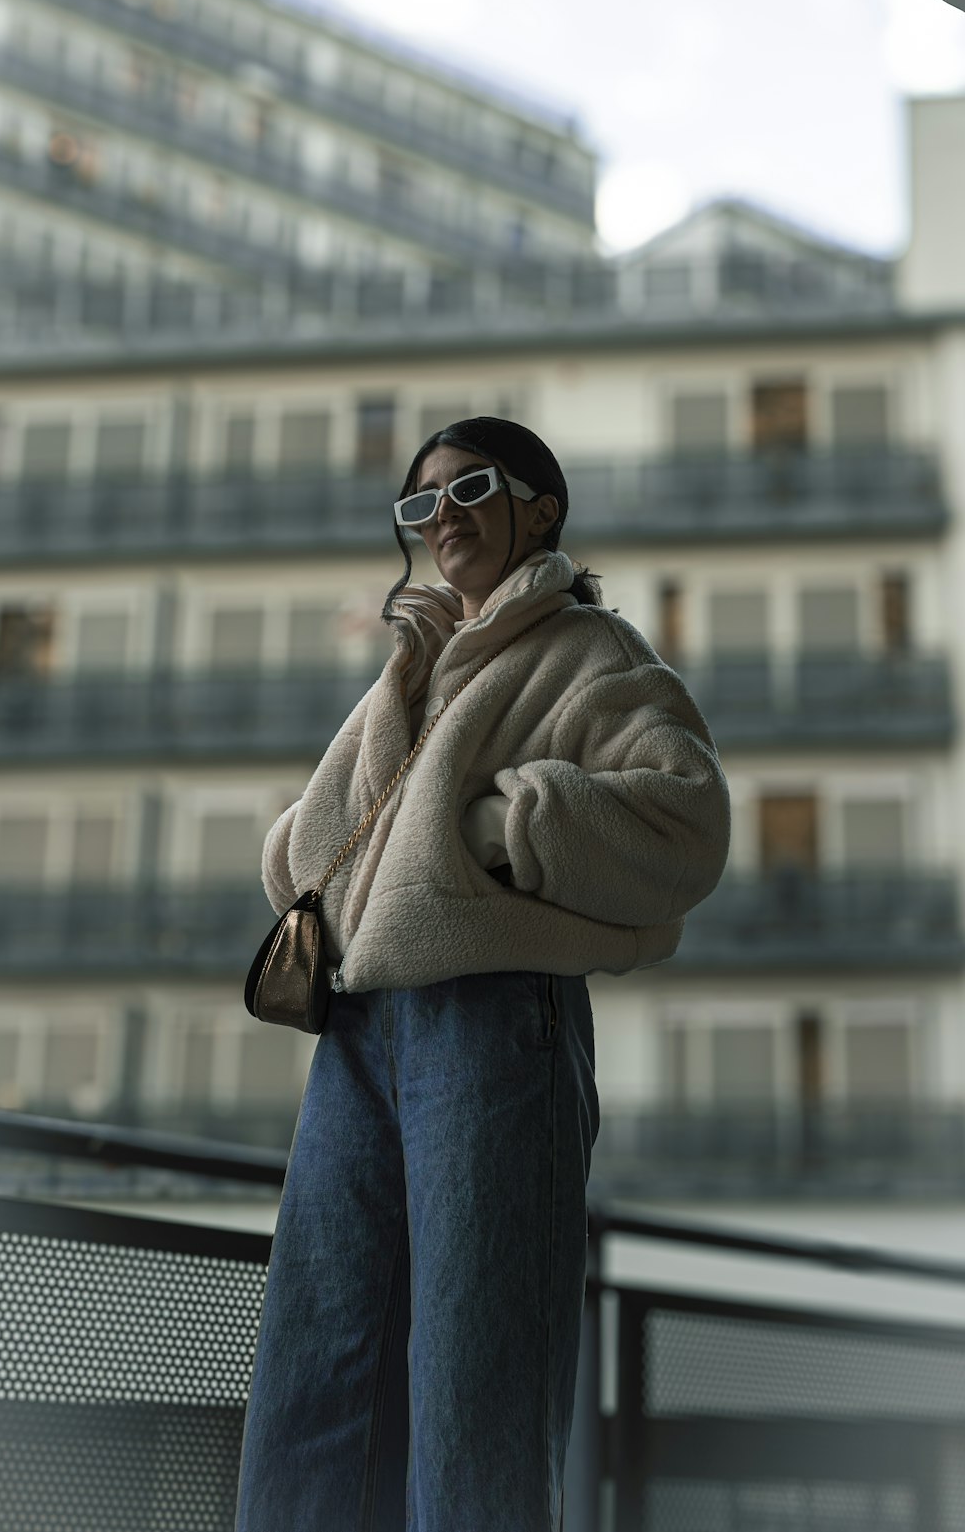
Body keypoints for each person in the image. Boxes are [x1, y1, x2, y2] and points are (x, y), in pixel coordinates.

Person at [235, 416, 731, 1532]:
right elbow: (316, 853)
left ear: (539, 507)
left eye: (469, 489)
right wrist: (401, 681)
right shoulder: (409, 671)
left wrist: (505, 826)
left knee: (476, 1383)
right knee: (314, 1374)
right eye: (420, 505)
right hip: (358, 1032)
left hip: (494, 1020)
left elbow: (688, 819)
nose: (441, 516)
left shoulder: (592, 652)